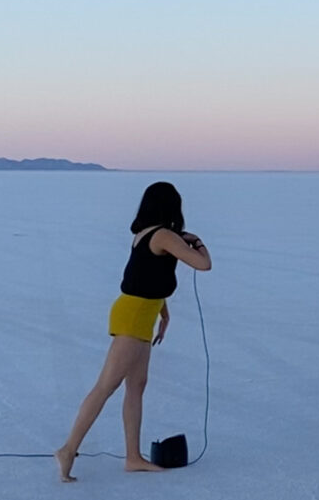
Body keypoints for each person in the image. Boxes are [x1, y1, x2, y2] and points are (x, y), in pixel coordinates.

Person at [57, 182, 212, 482]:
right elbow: (203, 265)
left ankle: (132, 457)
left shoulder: (147, 234)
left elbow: (145, 276)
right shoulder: (164, 236)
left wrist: (163, 313)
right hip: (133, 317)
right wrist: (197, 241)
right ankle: (67, 449)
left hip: (141, 314)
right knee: (106, 386)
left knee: (136, 386)